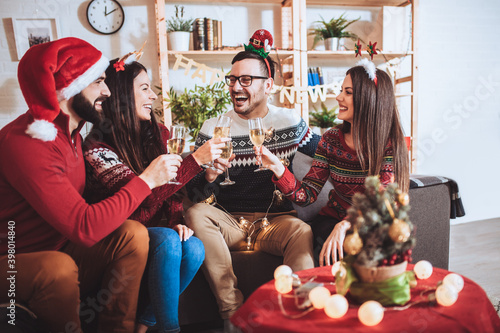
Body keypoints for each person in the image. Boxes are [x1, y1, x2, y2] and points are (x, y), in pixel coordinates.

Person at [0, 38, 180, 332]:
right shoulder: (26, 142)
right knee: (58, 268)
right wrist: (147, 180)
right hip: (11, 261)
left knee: (132, 234)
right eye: (98, 82)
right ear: (70, 87)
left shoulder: (74, 135)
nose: (107, 92)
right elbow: (83, 228)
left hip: (61, 247)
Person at [83, 57, 229, 333]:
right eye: (145, 88)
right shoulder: (97, 147)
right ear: (123, 95)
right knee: (167, 240)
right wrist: (196, 159)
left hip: (155, 230)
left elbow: (172, 192)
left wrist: (179, 216)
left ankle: (143, 325)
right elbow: (142, 200)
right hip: (119, 233)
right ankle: (170, 329)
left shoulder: (158, 133)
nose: (153, 96)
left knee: (194, 247)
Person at [184, 29, 321, 320]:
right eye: (232, 79)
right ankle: (232, 311)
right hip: (230, 221)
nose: (235, 87)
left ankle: (300, 311)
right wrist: (209, 177)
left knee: (303, 231)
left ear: (268, 85)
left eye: (245, 80)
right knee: (196, 212)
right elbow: (192, 192)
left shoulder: (289, 121)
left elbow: (328, 150)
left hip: (276, 222)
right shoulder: (213, 127)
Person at [258, 59, 410, 267]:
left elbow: (381, 205)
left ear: (369, 99)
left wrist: (345, 226)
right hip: (331, 221)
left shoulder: (390, 145)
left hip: (374, 224)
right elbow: (307, 195)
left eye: (348, 92)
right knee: (337, 244)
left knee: (370, 245)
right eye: (341, 90)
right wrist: (278, 168)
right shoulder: (331, 139)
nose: (338, 97)